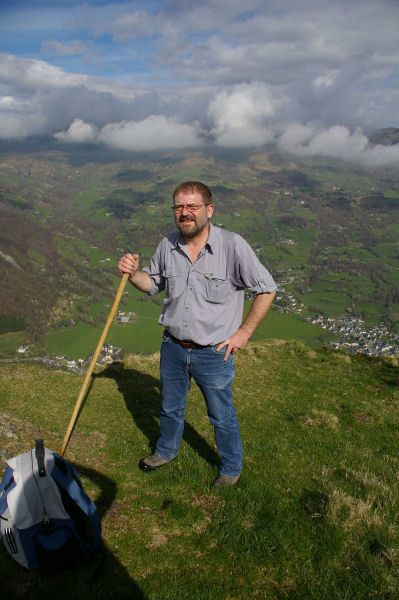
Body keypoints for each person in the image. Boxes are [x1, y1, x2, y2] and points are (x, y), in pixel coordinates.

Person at [118, 181, 276, 488]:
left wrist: (243, 334)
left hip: (214, 353)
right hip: (173, 347)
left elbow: (267, 289)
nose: (184, 213)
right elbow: (152, 284)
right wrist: (131, 272)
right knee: (169, 407)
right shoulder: (168, 245)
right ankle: (166, 451)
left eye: (192, 206)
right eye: (179, 207)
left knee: (220, 415)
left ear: (209, 210)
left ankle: (231, 468)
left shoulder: (232, 246)